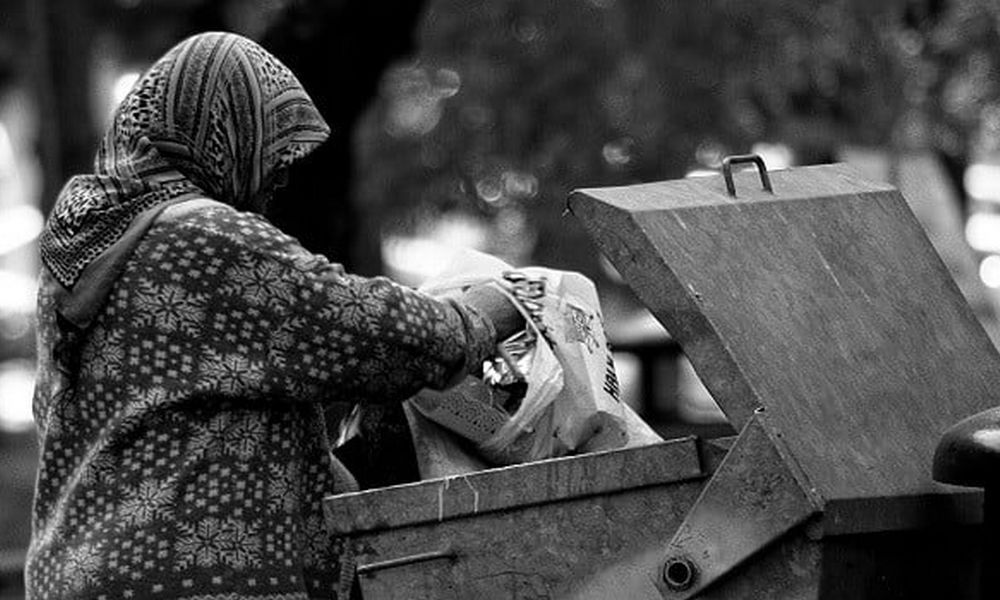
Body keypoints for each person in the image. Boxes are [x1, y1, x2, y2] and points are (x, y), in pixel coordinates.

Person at [26, 31, 521, 599]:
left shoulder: (87, 241)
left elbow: (185, 404)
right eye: (271, 151)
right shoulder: (202, 236)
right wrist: (483, 315)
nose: (279, 177)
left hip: (82, 570)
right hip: (191, 577)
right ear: (221, 133)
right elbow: (374, 332)